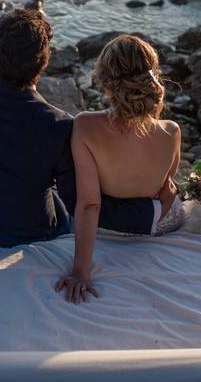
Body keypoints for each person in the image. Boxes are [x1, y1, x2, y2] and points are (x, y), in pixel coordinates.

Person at [0, 9, 176, 248]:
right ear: (44, 62)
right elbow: (78, 200)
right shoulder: (60, 124)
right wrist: (151, 210)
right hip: (36, 230)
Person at [55, 35, 182, 304]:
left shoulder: (85, 126)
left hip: (105, 227)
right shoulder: (171, 131)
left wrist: (80, 271)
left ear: (105, 81)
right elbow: (166, 189)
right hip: (155, 224)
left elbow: (90, 204)